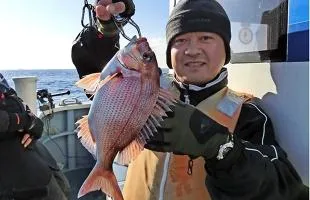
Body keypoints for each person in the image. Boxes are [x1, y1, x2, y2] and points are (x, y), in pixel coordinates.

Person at [89, 0, 308, 199]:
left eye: (206, 38)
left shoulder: (248, 114)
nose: (192, 50)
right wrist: (107, 26)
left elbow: (282, 187)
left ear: (226, 50)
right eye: (181, 40)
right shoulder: (146, 92)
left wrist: (221, 146)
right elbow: (106, 87)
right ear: (169, 53)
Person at [0, 73, 71, 200]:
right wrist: (25, 121)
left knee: (64, 188)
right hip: (13, 179)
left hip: (35, 160)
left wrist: (34, 124)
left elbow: (18, 104)